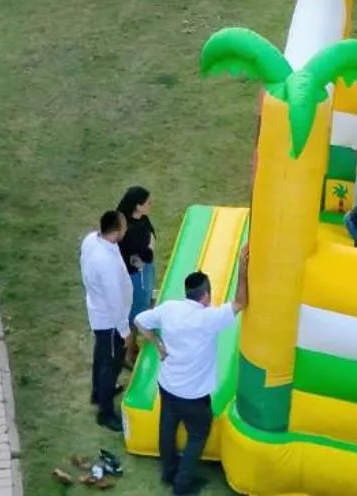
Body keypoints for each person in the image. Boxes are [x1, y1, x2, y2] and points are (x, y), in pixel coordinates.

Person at [135, 260, 248, 495]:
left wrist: (157, 343)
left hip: (168, 386)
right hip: (193, 397)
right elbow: (240, 302)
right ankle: (182, 484)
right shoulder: (208, 319)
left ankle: (168, 472)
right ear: (206, 295)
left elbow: (140, 320)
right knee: (197, 436)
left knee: (167, 429)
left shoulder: (169, 309)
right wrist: (242, 269)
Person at [81, 209, 132, 432]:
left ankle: (98, 392)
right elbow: (114, 299)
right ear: (117, 231)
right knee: (110, 365)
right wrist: (124, 330)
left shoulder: (92, 240)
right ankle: (105, 412)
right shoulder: (106, 263)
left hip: (99, 314)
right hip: (111, 321)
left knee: (101, 356)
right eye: (123, 225)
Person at [117, 186, 160, 325]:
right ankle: (132, 339)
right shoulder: (129, 230)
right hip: (135, 274)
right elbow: (145, 255)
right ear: (138, 206)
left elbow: (152, 235)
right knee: (137, 308)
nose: (151, 205)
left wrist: (149, 248)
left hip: (142, 268)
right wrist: (149, 249)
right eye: (148, 203)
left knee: (146, 294)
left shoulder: (142, 218)